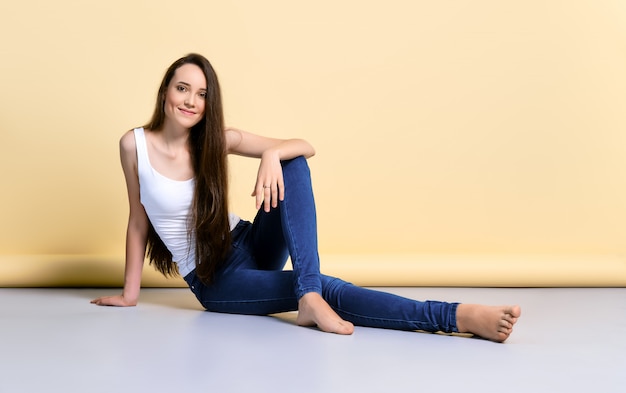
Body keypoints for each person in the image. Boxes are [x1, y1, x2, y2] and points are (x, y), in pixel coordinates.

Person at [91, 53, 521, 341]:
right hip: (215, 280)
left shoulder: (216, 141)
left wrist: (273, 154)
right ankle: (453, 316)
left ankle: (307, 293)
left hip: (246, 242)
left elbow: (304, 146)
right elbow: (137, 220)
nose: (191, 100)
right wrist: (130, 294)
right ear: (165, 90)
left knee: (293, 163)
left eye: (202, 94)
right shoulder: (134, 146)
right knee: (326, 287)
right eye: (182, 88)